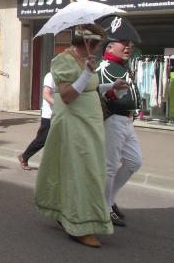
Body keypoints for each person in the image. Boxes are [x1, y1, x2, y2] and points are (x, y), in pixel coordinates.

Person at [35, 24, 125, 248]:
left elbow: (88, 88)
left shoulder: (85, 60)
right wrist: (86, 72)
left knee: (88, 171)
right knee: (82, 173)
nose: (98, 49)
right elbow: (67, 95)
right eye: (98, 44)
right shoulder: (62, 61)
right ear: (89, 42)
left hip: (90, 126)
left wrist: (111, 85)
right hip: (73, 126)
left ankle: (68, 213)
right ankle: (78, 225)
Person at [98, 16, 143, 228]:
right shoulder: (104, 66)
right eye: (124, 43)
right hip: (113, 120)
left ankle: (110, 198)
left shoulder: (123, 66)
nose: (129, 47)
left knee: (134, 161)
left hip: (127, 121)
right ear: (110, 46)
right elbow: (98, 91)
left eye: (130, 44)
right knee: (109, 166)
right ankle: (104, 208)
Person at [18, 72, 54, 170]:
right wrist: (58, 105)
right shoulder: (50, 76)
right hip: (49, 115)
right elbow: (46, 94)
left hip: (60, 115)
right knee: (42, 140)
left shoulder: (65, 76)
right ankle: (24, 156)